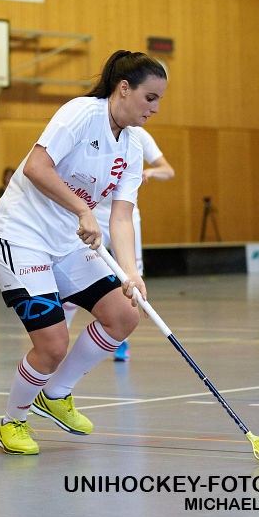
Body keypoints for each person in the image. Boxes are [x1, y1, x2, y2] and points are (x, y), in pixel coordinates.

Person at [0, 50, 167, 455]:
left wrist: (130, 273)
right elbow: (36, 167)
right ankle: (11, 422)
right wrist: (83, 209)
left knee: (123, 315)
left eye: (159, 100)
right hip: (21, 234)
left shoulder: (133, 146)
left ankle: (56, 393)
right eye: (150, 98)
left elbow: (121, 216)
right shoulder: (82, 113)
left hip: (66, 241)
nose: (155, 108)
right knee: (51, 344)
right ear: (124, 88)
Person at [65, 127, 175, 361]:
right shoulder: (93, 129)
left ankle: (120, 343)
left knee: (130, 279)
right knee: (78, 273)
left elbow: (168, 170)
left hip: (124, 216)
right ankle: (59, 335)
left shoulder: (139, 137)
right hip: (92, 214)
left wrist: (151, 172)